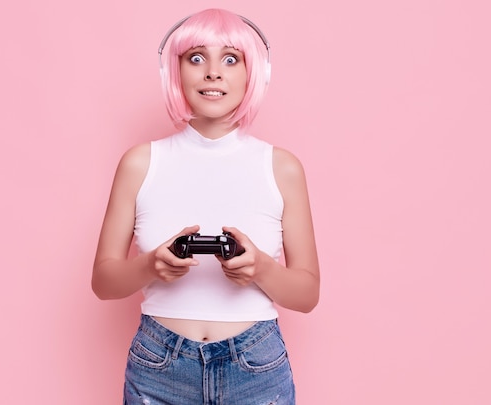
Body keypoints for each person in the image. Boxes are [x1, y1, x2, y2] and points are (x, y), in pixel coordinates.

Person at [92, 8, 320, 404]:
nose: (213, 72)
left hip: (256, 367)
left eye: (231, 59)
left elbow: (307, 294)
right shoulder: (139, 163)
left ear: (255, 73)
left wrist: (260, 268)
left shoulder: (281, 167)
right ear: (173, 72)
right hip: (158, 365)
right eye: (196, 58)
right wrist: (152, 266)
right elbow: (103, 283)